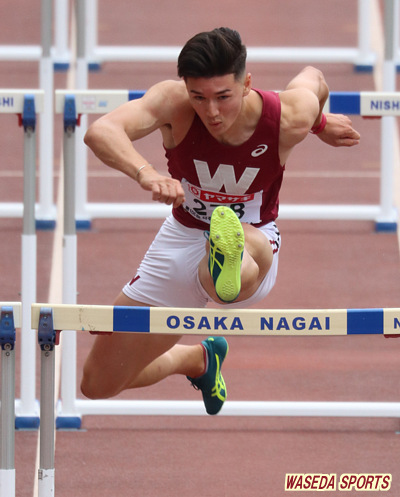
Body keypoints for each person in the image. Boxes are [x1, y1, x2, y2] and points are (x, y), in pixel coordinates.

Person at [80, 27, 360, 415]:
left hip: (255, 238)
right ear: (186, 89)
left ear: (247, 83)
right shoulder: (173, 102)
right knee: (97, 383)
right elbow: (101, 131)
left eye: (223, 97)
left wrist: (320, 124)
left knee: (226, 269)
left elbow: (314, 76)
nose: (211, 111)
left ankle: (225, 257)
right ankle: (197, 359)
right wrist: (145, 173)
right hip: (182, 235)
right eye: (199, 97)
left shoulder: (289, 114)